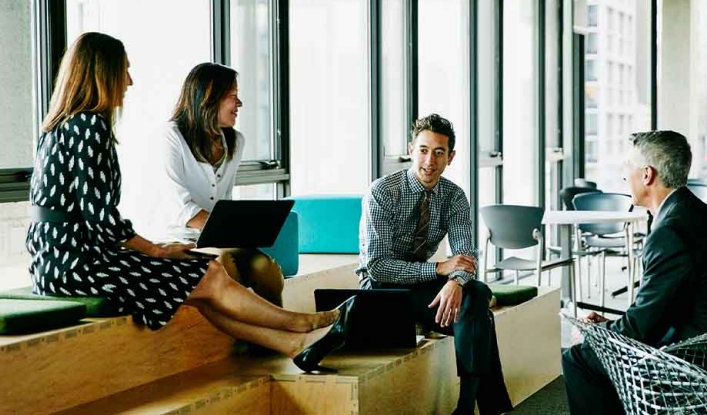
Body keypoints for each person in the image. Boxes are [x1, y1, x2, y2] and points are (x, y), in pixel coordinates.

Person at [25, 32, 352, 372]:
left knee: (203, 286)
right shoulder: (89, 126)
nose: (130, 82)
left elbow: (91, 216)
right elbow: (102, 219)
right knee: (208, 273)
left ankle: (295, 345)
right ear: (102, 73)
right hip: (77, 265)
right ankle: (301, 324)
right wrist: (156, 250)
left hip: (58, 260)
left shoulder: (63, 124)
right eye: (124, 71)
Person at [561, 130, 707, 414]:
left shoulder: (672, 230)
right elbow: (667, 305)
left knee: (579, 358)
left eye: (628, 168)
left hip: (700, 356)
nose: (624, 177)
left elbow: (642, 329)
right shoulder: (698, 214)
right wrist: (608, 325)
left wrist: (596, 333)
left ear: (647, 175)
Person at [356, 114, 512, 415]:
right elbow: (377, 267)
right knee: (480, 315)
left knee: (475, 294)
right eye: (424, 150)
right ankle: (486, 407)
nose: (430, 160)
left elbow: (466, 257)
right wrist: (440, 269)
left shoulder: (453, 197)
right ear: (411, 149)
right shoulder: (383, 192)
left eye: (439, 152)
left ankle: (466, 406)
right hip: (381, 292)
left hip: (420, 289)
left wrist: (455, 282)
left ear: (450, 157)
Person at [146, 62, 283, 308]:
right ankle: (241, 340)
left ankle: (273, 337)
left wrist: (239, 231)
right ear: (209, 99)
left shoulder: (235, 142)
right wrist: (231, 232)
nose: (239, 104)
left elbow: (224, 200)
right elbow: (180, 208)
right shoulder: (170, 137)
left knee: (266, 268)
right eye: (233, 97)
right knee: (225, 263)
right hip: (178, 241)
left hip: (219, 240)